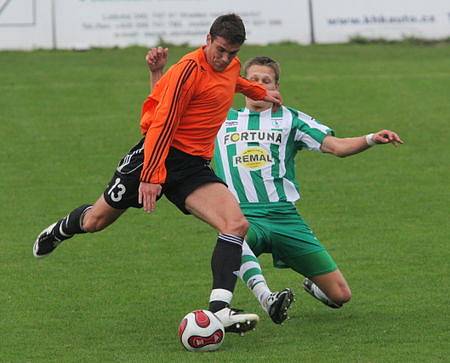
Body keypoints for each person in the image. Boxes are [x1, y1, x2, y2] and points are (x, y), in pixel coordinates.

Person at [32, 14, 283, 335]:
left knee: (235, 223)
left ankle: (219, 309)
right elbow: (162, 124)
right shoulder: (187, 71)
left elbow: (235, 81)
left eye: (232, 54)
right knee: (97, 220)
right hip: (153, 155)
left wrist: (262, 94)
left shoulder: (230, 67)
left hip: (192, 167)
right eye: (219, 50)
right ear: (208, 39)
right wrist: (152, 174)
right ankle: (60, 230)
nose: (224, 59)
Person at [147, 49, 403, 317]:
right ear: (242, 84)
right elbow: (167, 110)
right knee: (234, 235)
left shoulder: (291, 119)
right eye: (253, 79)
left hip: (284, 217)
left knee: (340, 295)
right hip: (241, 213)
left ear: (276, 86)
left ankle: (309, 282)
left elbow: (336, 146)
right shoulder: (220, 117)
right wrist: (156, 73)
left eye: (266, 80)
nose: (259, 85)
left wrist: (372, 138)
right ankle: (267, 299)